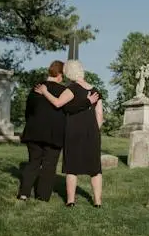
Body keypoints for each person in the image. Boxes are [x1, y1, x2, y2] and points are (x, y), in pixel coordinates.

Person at [17, 60, 99, 202]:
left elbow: (28, 110)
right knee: (49, 164)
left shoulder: (36, 88)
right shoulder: (64, 91)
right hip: (54, 134)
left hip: (34, 131)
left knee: (33, 162)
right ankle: (42, 196)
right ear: (60, 75)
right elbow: (69, 110)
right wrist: (86, 103)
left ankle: (24, 193)